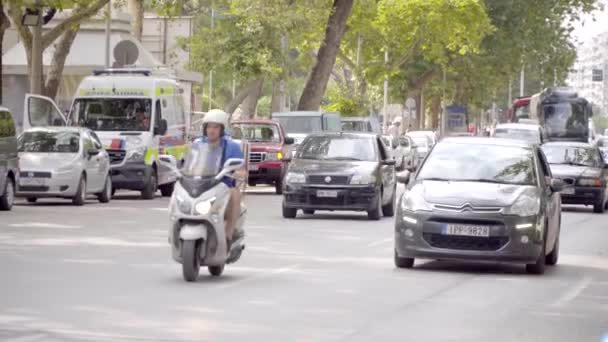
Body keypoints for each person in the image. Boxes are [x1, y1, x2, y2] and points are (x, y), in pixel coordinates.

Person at [194, 109, 246, 245]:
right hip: (201, 185)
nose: (211, 130)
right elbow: (188, 164)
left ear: (222, 129)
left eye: (215, 127)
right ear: (204, 128)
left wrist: (236, 173)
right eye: (209, 127)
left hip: (223, 187)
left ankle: (228, 236)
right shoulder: (198, 144)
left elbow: (242, 171)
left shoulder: (231, 146)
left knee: (235, 194)